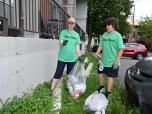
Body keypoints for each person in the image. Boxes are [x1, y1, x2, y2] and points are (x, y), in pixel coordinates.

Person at [96, 17, 124, 98]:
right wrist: (97, 53)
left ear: (113, 26)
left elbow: (121, 49)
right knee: (100, 74)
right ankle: (102, 88)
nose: (106, 27)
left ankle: (108, 93)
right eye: (106, 25)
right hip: (102, 61)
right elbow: (101, 45)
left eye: (108, 25)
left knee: (110, 77)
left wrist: (116, 61)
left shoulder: (118, 36)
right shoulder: (104, 34)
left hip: (112, 62)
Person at [51, 17, 82, 91]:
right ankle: (52, 88)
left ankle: (71, 89)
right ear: (67, 24)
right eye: (69, 22)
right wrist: (63, 43)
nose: (71, 24)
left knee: (70, 75)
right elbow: (60, 44)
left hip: (72, 59)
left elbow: (77, 46)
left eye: (73, 23)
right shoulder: (63, 32)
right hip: (62, 57)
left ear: (74, 24)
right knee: (58, 73)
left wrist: (79, 56)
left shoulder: (76, 35)